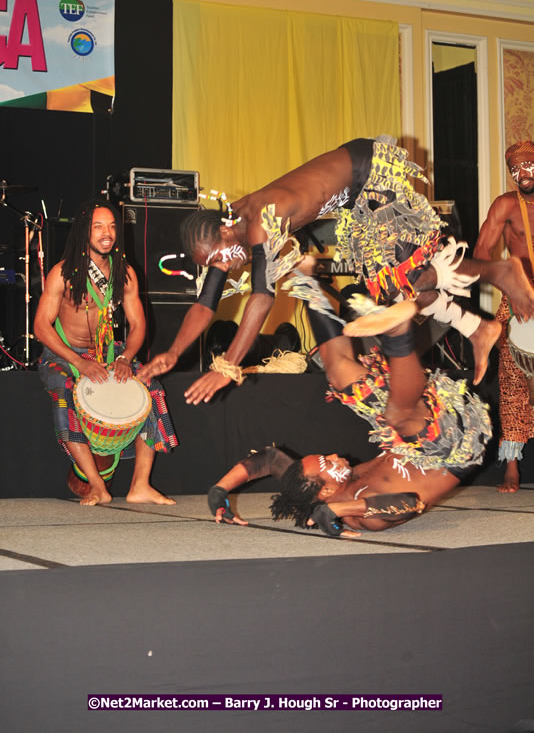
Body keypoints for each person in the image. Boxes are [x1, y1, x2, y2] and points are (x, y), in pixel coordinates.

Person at [139, 137, 534, 398]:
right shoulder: (230, 237)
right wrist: (173, 352)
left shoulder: (260, 220)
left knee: (414, 274)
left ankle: (502, 273)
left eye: (218, 257)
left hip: (368, 170)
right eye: (213, 265)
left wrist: (228, 367)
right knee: (394, 291)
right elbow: (205, 303)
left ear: (225, 230)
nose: (223, 267)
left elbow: (261, 298)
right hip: (353, 200)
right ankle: (479, 328)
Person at [206, 268, 491, 537]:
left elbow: (268, 459)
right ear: (327, 493)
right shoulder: (364, 516)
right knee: (396, 418)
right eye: (326, 462)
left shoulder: (308, 479)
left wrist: (219, 490)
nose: (331, 455)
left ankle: (309, 281)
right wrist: (338, 510)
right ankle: (397, 332)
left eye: (324, 456)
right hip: (452, 447)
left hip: (416, 421)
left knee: (341, 377)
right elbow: (410, 502)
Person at [34, 198, 178, 506]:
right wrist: (78, 363)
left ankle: (140, 484)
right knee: (65, 389)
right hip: (63, 354)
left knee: (150, 384)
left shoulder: (124, 274)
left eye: (112, 226)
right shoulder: (62, 273)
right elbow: (41, 328)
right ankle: (97, 485)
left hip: (107, 352)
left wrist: (125, 358)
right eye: (98, 226)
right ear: (84, 232)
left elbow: (138, 325)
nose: (106, 233)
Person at [474, 139, 534, 493]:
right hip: (518, 304)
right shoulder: (507, 205)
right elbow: (483, 252)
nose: (520, 174)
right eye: (514, 168)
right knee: (513, 386)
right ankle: (511, 465)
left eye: (527, 165)